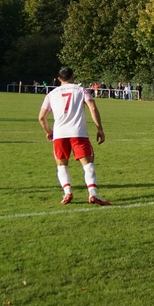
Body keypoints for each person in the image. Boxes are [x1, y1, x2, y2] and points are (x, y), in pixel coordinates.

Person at [37, 67, 109, 206]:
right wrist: (99, 128)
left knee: (61, 165)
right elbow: (92, 107)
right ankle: (93, 194)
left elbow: (41, 117)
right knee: (88, 165)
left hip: (59, 134)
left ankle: (67, 192)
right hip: (78, 133)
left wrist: (49, 132)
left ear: (59, 79)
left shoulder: (51, 94)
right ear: (73, 77)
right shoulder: (82, 90)